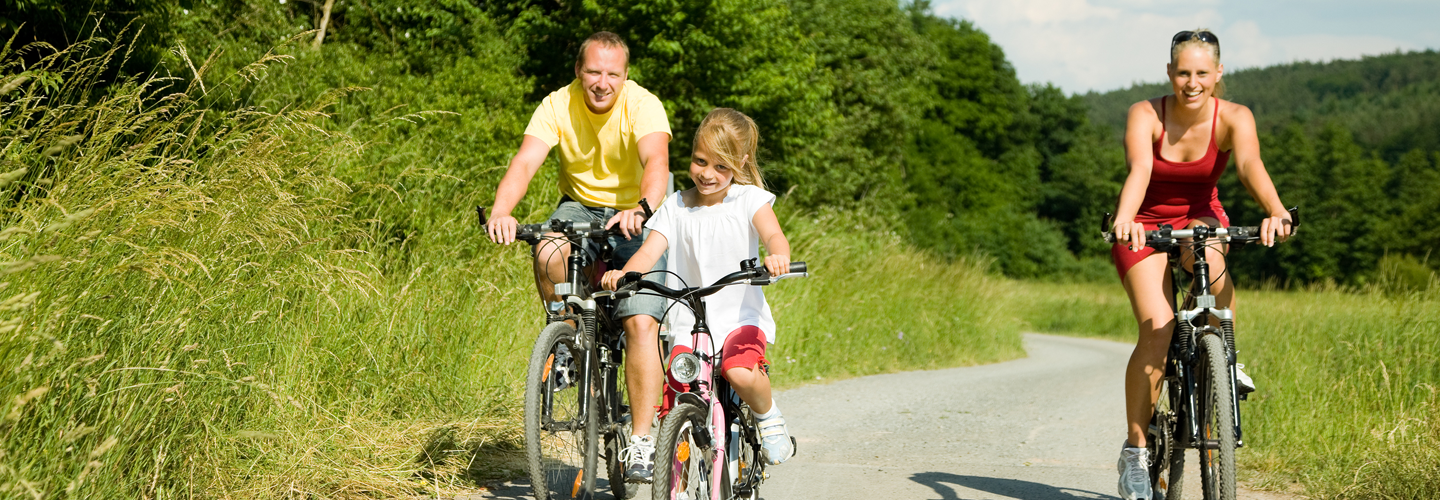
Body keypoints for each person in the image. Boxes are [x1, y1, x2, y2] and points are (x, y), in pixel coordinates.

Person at [1110, 29, 1293, 500]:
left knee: (1213, 267)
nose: (1192, 82)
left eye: (1202, 73)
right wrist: (1127, 219)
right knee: (1159, 326)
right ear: (1170, 72)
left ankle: (1223, 357)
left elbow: (1250, 164)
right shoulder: (1146, 113)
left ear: (1219, 73)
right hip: (1145, 225)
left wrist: (1275, 209)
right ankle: (1134, 453)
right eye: (1183, 72)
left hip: (1200, 219)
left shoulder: (1234, 117)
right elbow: (1140, 170)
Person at [484, 31, 671, 483]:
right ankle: (567, 336)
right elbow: (526, 161)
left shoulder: (644, 104)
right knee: (548, 246)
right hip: (581, 204)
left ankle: (642, 443)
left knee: (640, 321)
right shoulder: (557, 104)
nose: (602, 82)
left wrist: (642, 209)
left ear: (625, 76)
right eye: (593, 72)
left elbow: (656, 163)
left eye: (612, 73)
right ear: (578, 72)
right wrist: (502, 211)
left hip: (637, 212)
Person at [600, 108, 797, 465]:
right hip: (689, 323)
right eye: (700, 161)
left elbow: (774, 236)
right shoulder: (675, 206)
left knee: (738, 370)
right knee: (678, 388)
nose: (707, 174)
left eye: (721, 167)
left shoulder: (749, 200)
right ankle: (678, 470)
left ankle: (769, 418)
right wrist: (626, 274)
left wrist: (777, 257)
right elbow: (649, 250)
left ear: (741, 162)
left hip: (739, 319)